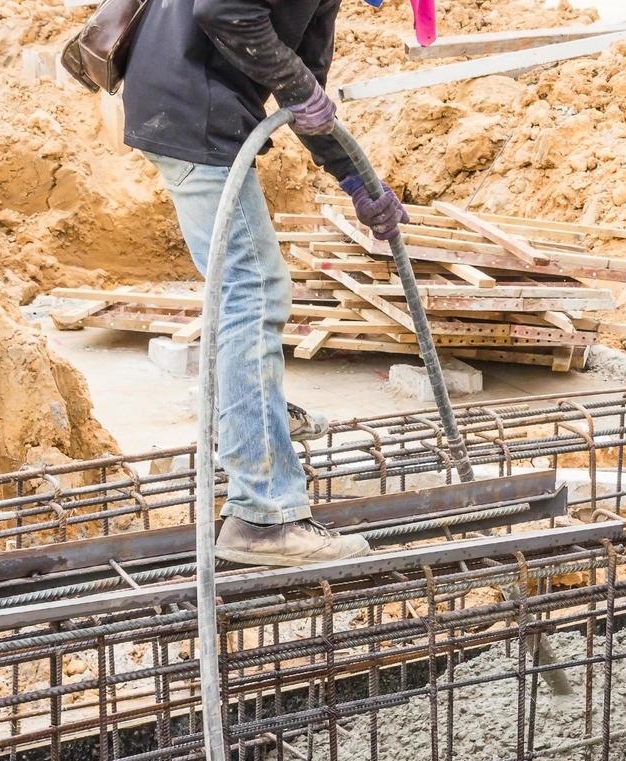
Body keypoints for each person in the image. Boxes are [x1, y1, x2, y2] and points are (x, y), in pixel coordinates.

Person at [121, 0, 412, 566]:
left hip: (187, 104)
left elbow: (305, 91)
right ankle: (263, 516)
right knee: (251, 294)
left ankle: (254, 421)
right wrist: (298, 87)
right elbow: (223, 8)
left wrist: (354, 177)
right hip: (189, 107)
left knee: (246, 291)